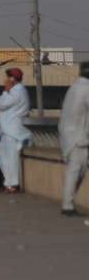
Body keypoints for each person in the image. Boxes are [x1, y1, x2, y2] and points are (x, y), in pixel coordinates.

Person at [57, 62, 89, 216]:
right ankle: (67, 205)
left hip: (68, 135)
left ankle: (68, 203)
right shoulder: (87, 89)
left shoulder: (73, 88)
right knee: (76, 171)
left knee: (74, 171)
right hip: (79, 137)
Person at [0, 68, 31, 194]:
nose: (6, 79)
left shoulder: (17, 91)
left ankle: (12, 184)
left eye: (8, 77)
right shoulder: (16, 91)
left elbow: (2, 104)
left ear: (13, 79)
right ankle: (9, 183)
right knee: (5, 159)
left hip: (12, 130)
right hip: (8, 129)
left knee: (10, 159)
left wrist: (5, 91)